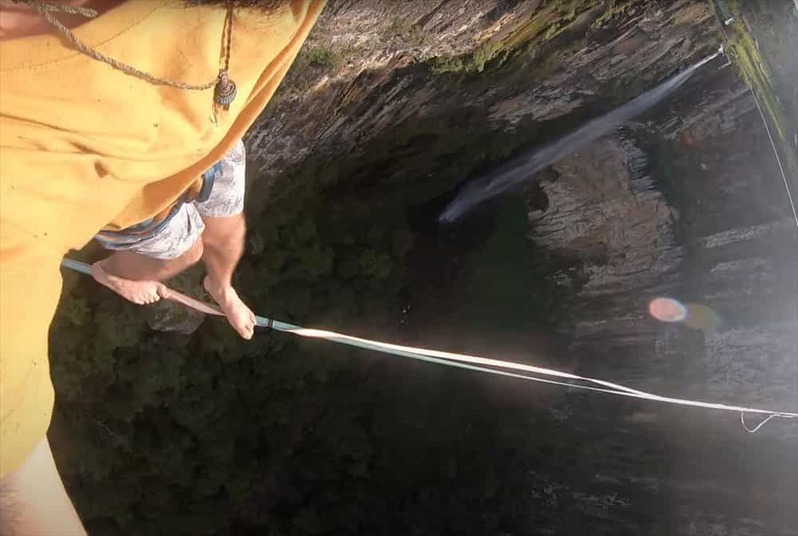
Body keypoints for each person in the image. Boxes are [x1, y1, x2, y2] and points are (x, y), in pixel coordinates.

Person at [0, 0, 325, 533]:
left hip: (213, 98)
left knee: (224, 230)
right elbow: (18, 486)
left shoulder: (269, 14)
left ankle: (222, 287)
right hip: (175, 138)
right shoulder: (20, 154)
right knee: (183, 251)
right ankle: (118, 271)